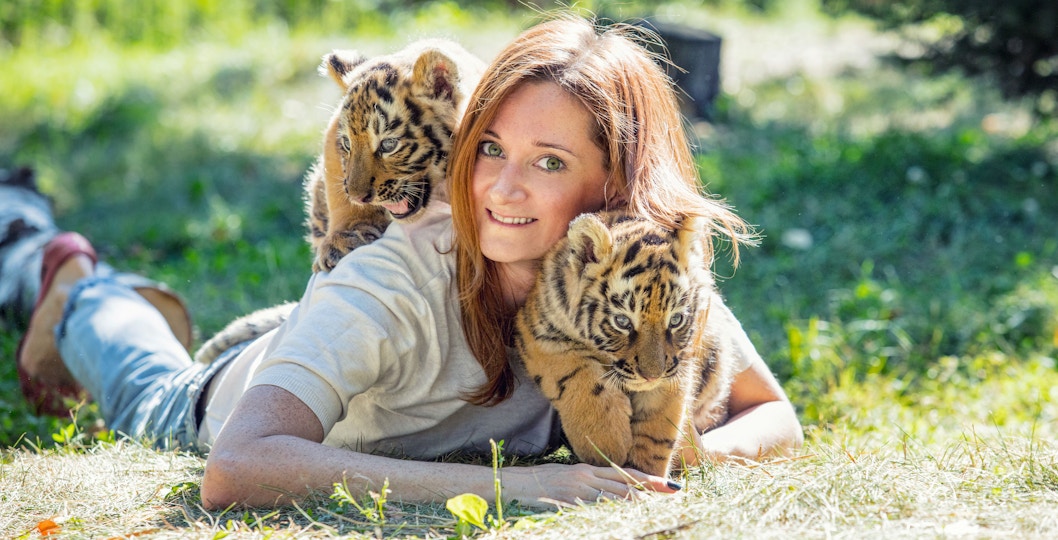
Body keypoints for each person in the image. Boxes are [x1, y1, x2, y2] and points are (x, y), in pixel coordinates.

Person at [15, 14, 802, 510]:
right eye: (489, 148)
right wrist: (525, 488)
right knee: (145, 379)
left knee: (309, 330)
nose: (501, 186)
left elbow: (774, 414)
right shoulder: (399, 274)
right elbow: (235, 468)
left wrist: (666, 465)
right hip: (211, 409)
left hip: (340, 354)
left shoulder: (626, 269)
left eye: (550, 162)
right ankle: (72, 279)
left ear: (616, 186)